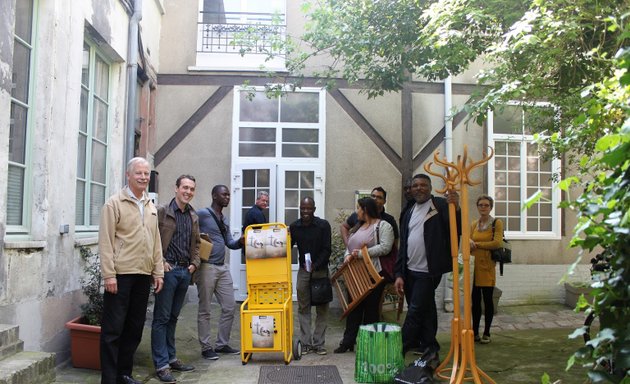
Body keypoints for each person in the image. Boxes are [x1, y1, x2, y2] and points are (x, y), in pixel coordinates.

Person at [98, 157, 164, 384]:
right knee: (112, 330)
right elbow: (105, 241)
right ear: (128, 175)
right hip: (120, 275)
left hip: (143, 274)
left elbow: (156, 242)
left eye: (146, 174)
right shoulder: (114, 203)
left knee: (134, 329)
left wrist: (158, 272)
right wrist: (109, 274)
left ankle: (123, 374)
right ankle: (108, 379)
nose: (144, 177)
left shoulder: (150, 206)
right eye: (139, 173)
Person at [395, 173, 460, 365]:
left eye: (423, 185)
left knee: (415, 310)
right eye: (415, 185)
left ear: (430, 188)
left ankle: (401, 347)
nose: (419, 188)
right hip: (409, 271)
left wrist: (455, 207)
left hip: (428, 271)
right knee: (427, 309)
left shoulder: (439, 205)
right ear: (411, 189)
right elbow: (403, 245)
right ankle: (431, 347)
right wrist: (399, 274)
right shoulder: (408, 211)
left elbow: (456, 228)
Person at [151, 175, 201, 383]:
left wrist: (194, 264)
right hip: (168, 271)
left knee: (173, 317)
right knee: (161, 319)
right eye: (185, 188)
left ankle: (171, 358)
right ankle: (161, 364)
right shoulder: (162, 211)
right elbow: (151, 237)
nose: (188, 192)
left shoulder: (193, 215)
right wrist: (160, 261)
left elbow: (197, 243)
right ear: (176, 188)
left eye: (191, 189)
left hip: (184, 272)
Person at [334, 197, 394, 353]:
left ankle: (370, 345)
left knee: (371, 311)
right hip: (354, 275)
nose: (357, 212)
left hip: (373, 274)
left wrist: (362, 254)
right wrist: (347, 255)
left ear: (365, 209)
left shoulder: (383, 226)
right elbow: (351, 245)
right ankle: (347, 342)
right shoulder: (358, 226)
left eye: (358, 208)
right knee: (353, 310)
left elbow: (386, 247)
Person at [195, 185, 243, 360]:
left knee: (230, 307)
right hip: (206, 266)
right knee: (205, 309)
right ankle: (206, 347)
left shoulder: (224, 219)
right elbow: (188, 229)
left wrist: (241, 241)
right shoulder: (202, 214)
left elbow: (229, 242)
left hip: (223, 267)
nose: (228, 197)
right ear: (214, 196)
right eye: (224, 194)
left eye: (229, 194)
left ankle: (222, 344)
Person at [289, 197, 332, 355]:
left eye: (309, 208)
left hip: (320, 271)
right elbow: (287, 246)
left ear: (314, 209)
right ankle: (306, 343)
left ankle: (319, 343)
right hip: (303, 271)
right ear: (300, 209)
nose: (305, 211)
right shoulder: (295, 227)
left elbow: (327, 249)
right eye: (303, 208)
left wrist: (316, 264)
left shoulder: (323, 226)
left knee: (322, 308)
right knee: (303, 307)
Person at [470, 194, 503, 344]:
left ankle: (487, 332)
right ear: (477, 207)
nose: (483, 208)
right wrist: (470, 241)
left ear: (490, 207)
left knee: (488, 300)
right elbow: (468, 240)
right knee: (475, 301)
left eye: (486, 205)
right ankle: (475, 332)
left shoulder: (496, 223)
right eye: (480, 205)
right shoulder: (474, 224)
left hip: (487, 266)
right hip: (474, 267)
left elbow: (496, 243)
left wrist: (477, 244)